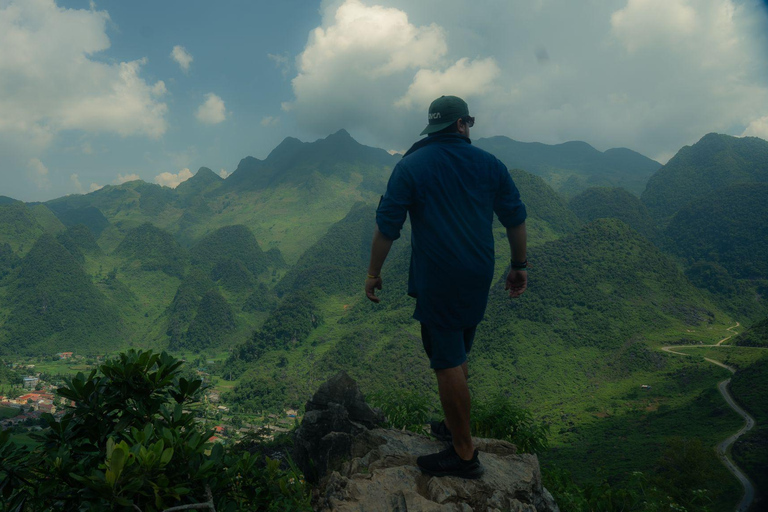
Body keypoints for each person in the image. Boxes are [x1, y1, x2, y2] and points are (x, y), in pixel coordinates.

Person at [365, 95, 528, 479]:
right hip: (478, 274)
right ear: (461, 124)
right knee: (458, 352)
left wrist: (373, 273)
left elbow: (387, 227)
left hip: (438, 277)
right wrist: (519, 266)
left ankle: (463, 453)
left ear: (433, 127)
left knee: (447, 361)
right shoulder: (491, 164)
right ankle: (455, 427)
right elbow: (515, 218)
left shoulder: (411, 166)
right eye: (466, 122)